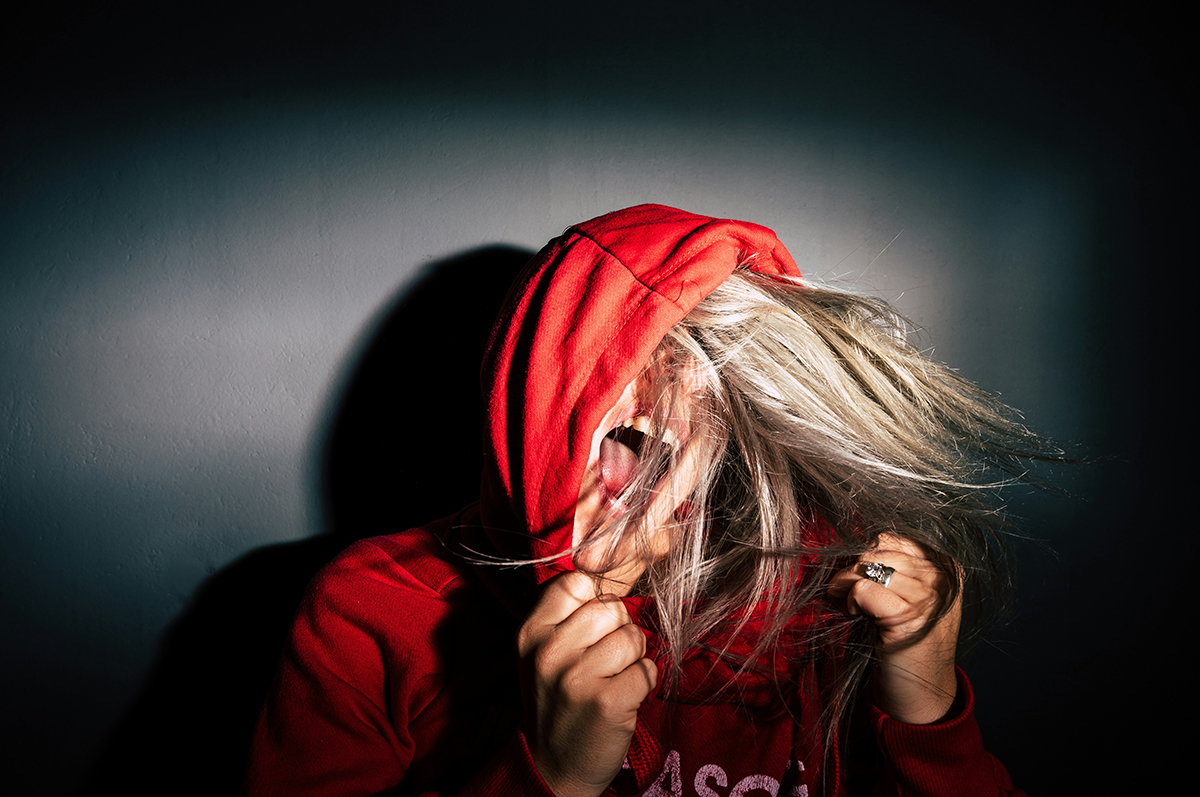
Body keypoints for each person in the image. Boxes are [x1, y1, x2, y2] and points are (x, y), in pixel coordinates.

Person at [245, 204, 1053, 796]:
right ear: (537, 404)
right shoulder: (372, 615)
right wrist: (550, 777)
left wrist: (926, 710)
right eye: (623, 388)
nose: (666, 401)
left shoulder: (812, 595)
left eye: (706, 397)